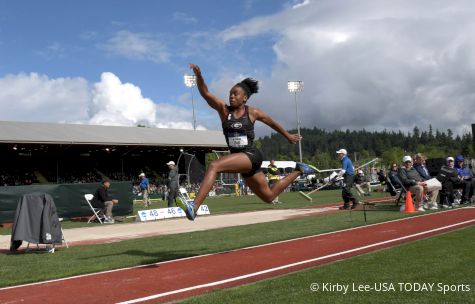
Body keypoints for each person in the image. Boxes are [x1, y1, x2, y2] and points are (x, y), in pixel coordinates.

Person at [176, 64, 317, 220]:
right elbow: (205, 93)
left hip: (251, 155)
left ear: (245, 98)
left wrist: (288, 136)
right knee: (269, 196)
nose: (231, 96)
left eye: (235, 94)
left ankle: (194, 207)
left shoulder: (252, 112)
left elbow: (272, 122)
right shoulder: (224, 110)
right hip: (241, 161)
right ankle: (299, 169)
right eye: (230, 94)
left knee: (214, 166)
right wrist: (199, 76)